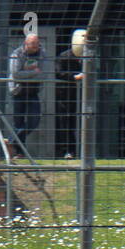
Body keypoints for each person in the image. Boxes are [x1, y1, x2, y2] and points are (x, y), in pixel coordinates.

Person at [8, 33, 45, 146]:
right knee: (18, 122)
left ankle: (10, 141)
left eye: (37, 43)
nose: (36, 46)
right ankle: (18, 152)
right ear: (26, 43)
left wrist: (26, 73)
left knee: (34, 120)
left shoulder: (42, 54)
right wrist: (33, 72)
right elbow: (15, 74)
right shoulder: (17, 54)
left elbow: (42, 73)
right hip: (18, 91)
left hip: (33, 91)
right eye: (33, 43)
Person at [54, 29, 85, 159]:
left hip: (83, 95)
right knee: (66, 121)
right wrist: (74, 77)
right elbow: (59, 73)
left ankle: (81, 150)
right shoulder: (64, 56)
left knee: (83, 120)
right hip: (66, 94)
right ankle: (68, 150)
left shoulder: (87, 57)